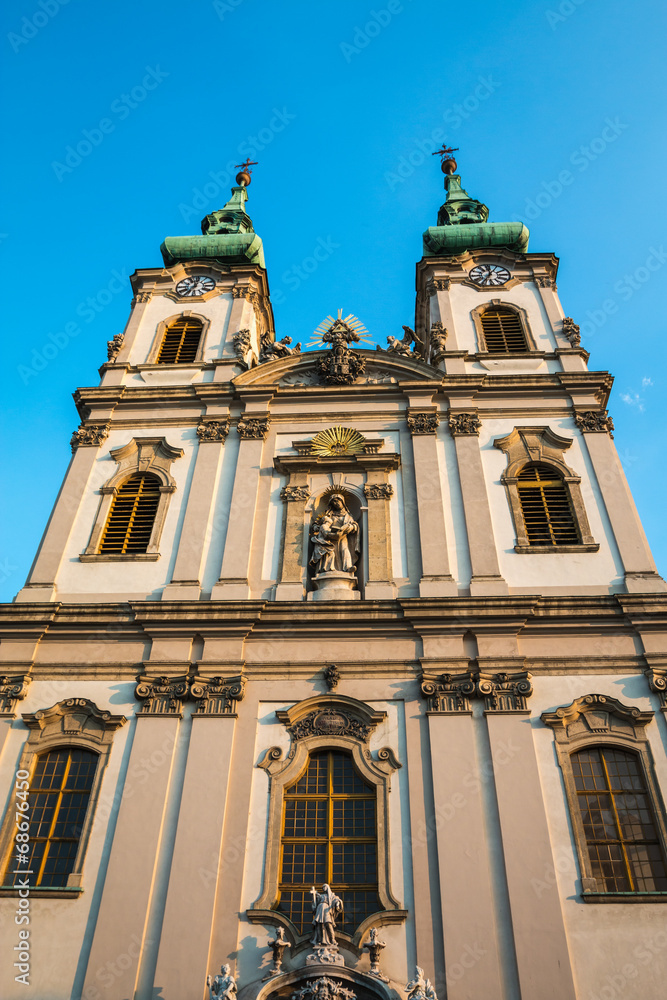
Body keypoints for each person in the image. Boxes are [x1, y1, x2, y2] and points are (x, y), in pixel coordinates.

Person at [309, 495, 359, 575]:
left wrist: (350, 527)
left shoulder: (348, 516)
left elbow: (354, 525)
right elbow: (317, 523)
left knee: (344, 549)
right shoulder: (328, 514)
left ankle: (347, 567)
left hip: (342, 536)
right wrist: (316, 527)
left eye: (337, 501)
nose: (336, 503)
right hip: (329, 537)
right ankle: (327, 569)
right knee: (329, 553)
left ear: (342, 502)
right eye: (333, 502)